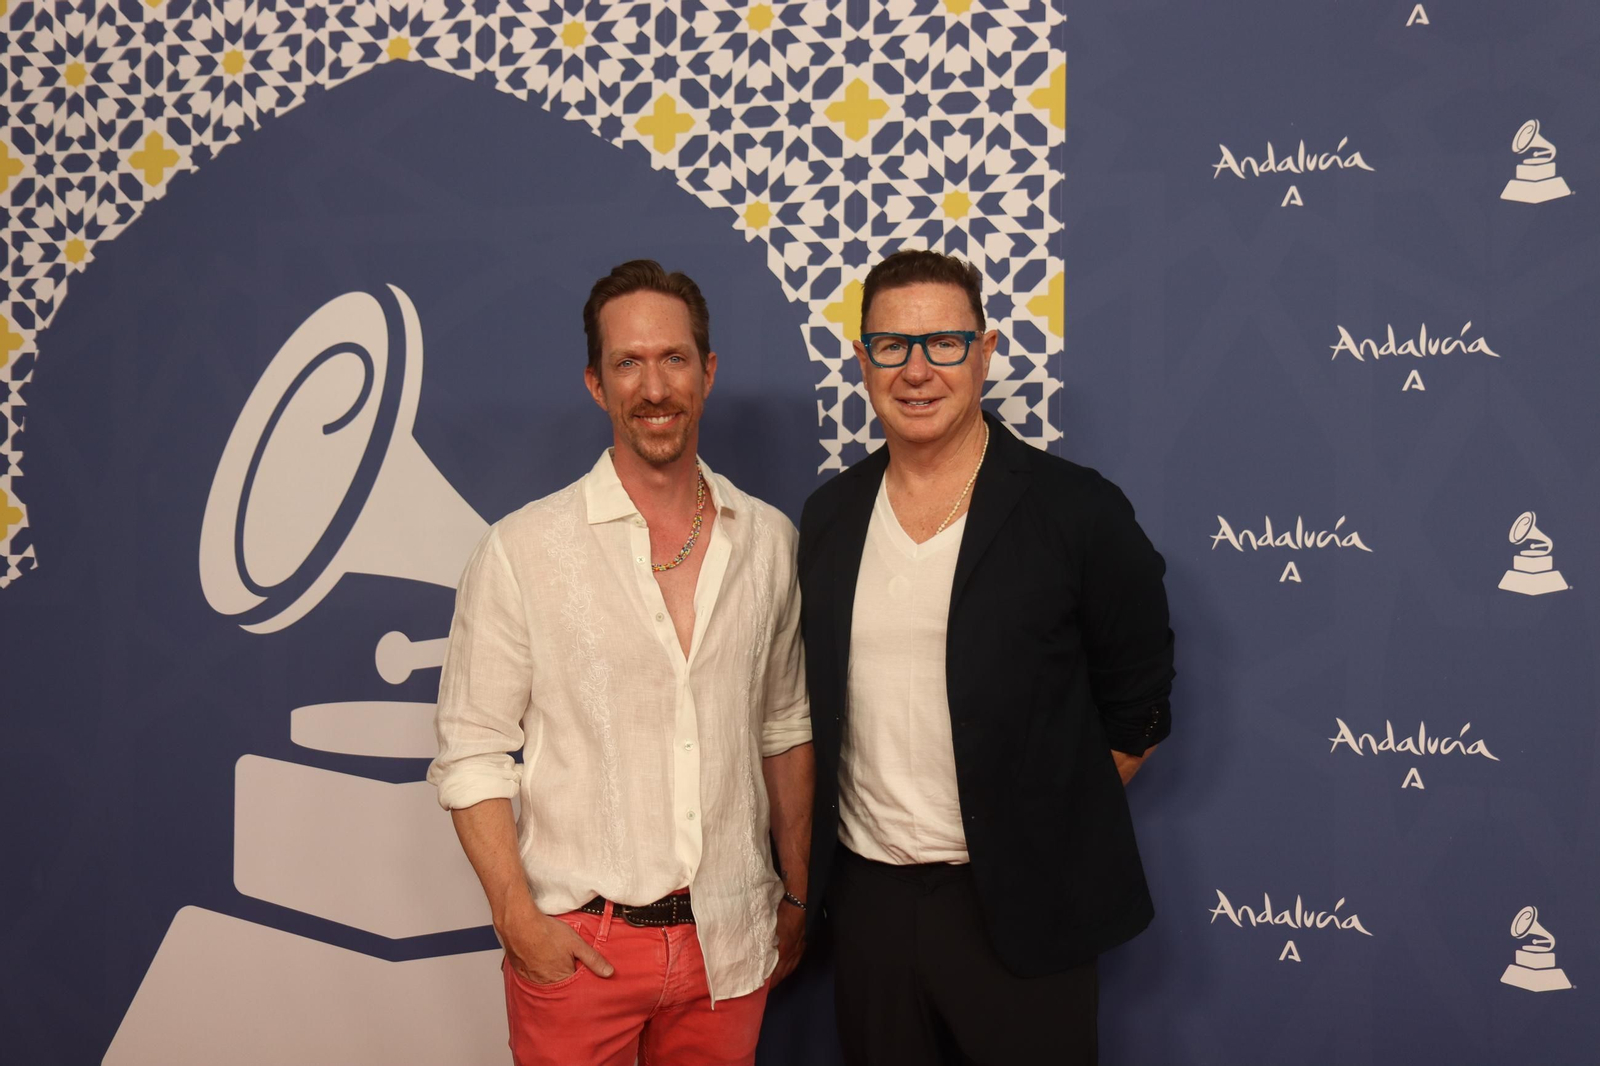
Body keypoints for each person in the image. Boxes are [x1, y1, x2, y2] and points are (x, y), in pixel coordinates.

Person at [428, 260, 814, 1066]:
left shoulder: (770, 541)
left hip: (729, 944)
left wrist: (798, 895)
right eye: (628, 363)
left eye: (673, 359)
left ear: (707, 374)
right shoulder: (521, 550)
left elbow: (784, 727)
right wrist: (517, 918)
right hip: (579, 947)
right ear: (597, 386)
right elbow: (471, 752)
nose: (654, 386)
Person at [798, 249, 1174, 1065]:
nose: (918, 370)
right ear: (863, 362)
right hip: (869, 906)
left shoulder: (1077, 510)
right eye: (893, 346)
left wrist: (1039, 819)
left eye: (945, 343)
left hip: (1025, 906)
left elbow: (1139, 701)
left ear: (987, 351)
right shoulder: (829, 519)